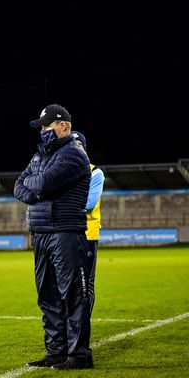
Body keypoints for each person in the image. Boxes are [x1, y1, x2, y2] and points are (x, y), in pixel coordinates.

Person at [13, 104, 93, 370]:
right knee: (47, 295)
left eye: (47, 126)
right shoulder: (41, 156)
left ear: (63, 126)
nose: (43, 131)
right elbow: (18, 184)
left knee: (72, 295)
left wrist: (34, 187)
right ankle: (55, 352)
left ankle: (79, 356)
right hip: (42, 233)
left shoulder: (73, 153)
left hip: (65, 232)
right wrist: (34, 188)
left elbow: (43, 183)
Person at [72, 131, 105, 315]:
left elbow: (89, 203)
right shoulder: (65, 172)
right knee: (68, 283)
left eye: (78, 145)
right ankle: (70, 328)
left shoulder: (95, 172)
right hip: (68, 232)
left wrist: (64, 203)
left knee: (86, 285)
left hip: (88, 234)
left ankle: (83, 328)